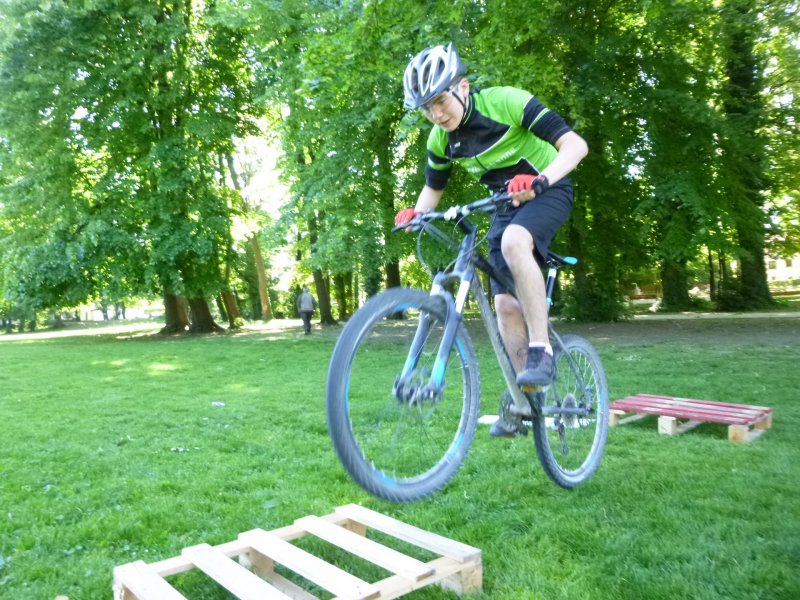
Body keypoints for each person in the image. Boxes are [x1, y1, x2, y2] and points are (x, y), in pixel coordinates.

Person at [395, 43, 588, 436]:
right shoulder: (440, 140)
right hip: (505, 203)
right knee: (503, 305)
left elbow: (575, 145)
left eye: (440, 101)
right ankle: (526, 400)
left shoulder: (507, 102)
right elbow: (433, 189)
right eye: (426, 108)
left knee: (515, 241)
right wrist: (416, 214)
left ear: (462, 87)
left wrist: (540, 180)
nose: (436, 113)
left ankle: (543, 351)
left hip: (549, 189)